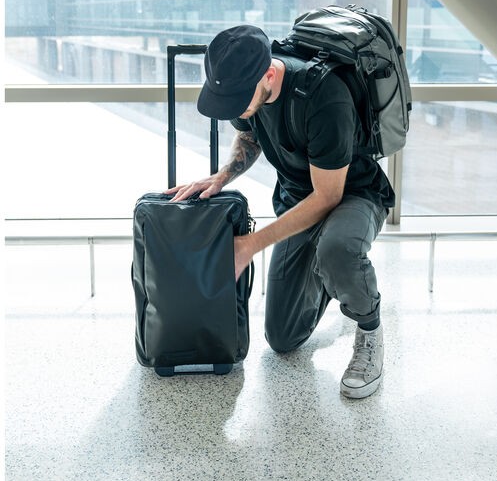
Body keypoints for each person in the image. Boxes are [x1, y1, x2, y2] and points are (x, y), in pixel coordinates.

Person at [167, 24, 395, 399]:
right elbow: (249, 132)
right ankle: (334, 274)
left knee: (338, 247)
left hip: (353, 195)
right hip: (299, 197)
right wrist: (224, 176)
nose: (234, 108)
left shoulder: (324, 94)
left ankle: (369, 329)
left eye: (240, 100)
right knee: (283, 337)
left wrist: (250, 245)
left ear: (269, 75)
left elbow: (327, 197)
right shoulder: (248, 86)